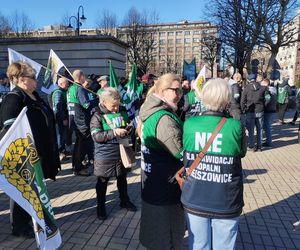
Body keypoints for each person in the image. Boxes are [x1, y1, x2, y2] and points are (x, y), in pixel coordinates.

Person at [181, 78, 247, 250]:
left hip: (195, 194)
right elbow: (242, 152)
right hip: (226, 198)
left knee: (198, 245)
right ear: (227, 98)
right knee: (224, 246)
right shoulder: (235, 126)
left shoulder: (189, 124)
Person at [0, 62, 60, 238]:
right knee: (24, 189)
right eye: (32, 77)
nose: (36, 81)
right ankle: (19, 226)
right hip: (25, 156)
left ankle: (31, 217)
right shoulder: (13, 98)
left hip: (40, 152)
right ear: (20, 79)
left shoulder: (35, 96)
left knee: (35, 188)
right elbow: (9, 131)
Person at [139, 73, 185, 250]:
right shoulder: (164, 119)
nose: (180, 93)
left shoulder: (151, 111)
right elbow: (180, 152)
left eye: (180, 89)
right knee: (166, 237)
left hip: (153, 184)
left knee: (157, 234)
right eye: (176, 90)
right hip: (166, 187)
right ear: (163, 91)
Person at [90, 87, 137, 220]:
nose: (116, 108)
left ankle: (124, 201)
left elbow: (127, 124)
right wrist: (114, 132)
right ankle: (100, 206)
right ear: (104, 102)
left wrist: (128, 129)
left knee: (122, 178)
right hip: (105, 154)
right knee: (103, 181)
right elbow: (96, 136)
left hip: (122, 152)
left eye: (118, 105)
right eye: (113, 106)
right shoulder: (97, 116)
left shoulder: (122, 111)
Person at [73, 73, 97, 176]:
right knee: (82, 147)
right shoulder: (80, 89)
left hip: (79, 121)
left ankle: (77, 165)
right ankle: (79, 168)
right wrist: (96, 100)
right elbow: (86, 105)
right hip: (82, 122)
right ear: (81, 77)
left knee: (81, 145)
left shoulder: (74, 88)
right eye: (84, 77)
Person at [241, 73, 270, 151]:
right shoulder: (262, 87)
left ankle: (251, 146)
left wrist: (243, 110)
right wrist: (264, 105)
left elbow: (242, 101)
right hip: (260, 110)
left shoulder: (246, 88)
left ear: (248, 80)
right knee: (259, 129)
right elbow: (268, 98)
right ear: (256, 79)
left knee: (251, 130)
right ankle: (259, 146)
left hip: (250, 111)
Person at [51, 77, 69, 160]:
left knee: (63, 134)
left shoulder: (62, 92)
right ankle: (60, 152)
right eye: (66, 83)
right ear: (61, 84)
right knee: (60, 135)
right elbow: (59, 107)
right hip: (60, 118)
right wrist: (64, 118)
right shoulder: (58, 93)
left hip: (61, 117)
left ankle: (63, 150)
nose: (68, 84)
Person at [261, 79, 277, 147]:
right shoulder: (274, 89)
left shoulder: (268, 90)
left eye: (262, 84)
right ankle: (268, 140)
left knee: (267, 126)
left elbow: (268, 99)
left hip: (267, 110)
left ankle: (269, 142)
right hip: (272, 110)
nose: (261, 86)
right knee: (267, 126)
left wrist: (263, 106)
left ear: (266, 84)